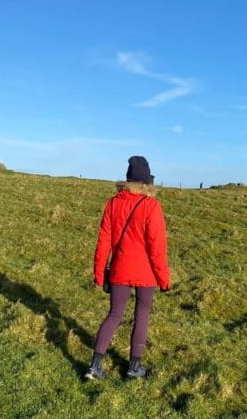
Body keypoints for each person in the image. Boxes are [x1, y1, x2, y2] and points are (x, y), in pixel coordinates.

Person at [84, 156, 171, 381]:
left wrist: (98, 273)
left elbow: (103, 241)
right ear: (146, 182)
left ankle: (95, 366)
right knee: (141, 315)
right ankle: (134, 368)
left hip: (119, 270)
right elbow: (157, 247)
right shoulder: (151, 206)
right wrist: (164, 278)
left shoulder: (113, 203)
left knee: (114, 314)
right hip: (146, 273)